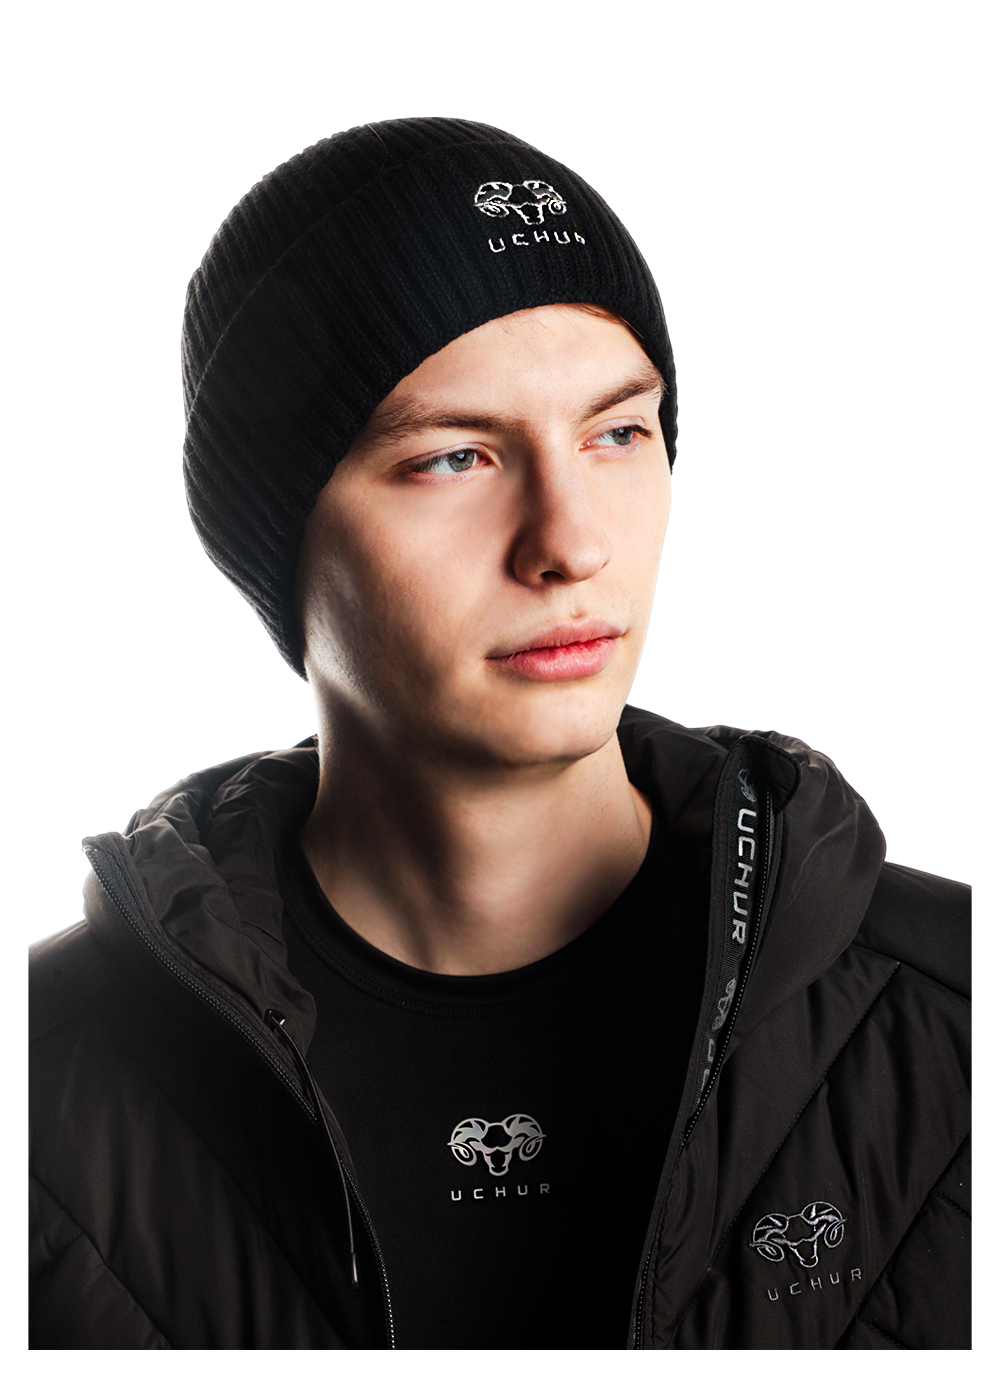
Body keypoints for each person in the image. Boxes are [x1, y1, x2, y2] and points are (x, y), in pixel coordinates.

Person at [28, 117, 970, 1350]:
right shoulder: (38, 1083)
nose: (571, 542)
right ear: (278, 538)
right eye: (454, 457)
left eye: (618, 433)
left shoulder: (961, 1006)